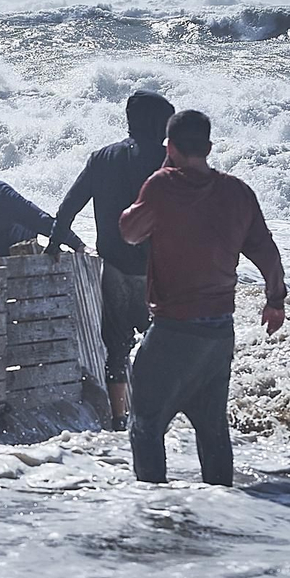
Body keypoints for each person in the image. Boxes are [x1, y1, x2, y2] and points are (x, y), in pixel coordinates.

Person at [117, 109, 285, 486]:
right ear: (209, 148)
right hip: (219, 334)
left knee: (145, 425)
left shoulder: (162, 186)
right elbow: (267, 252)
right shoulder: (238, 192)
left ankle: (153, 506)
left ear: (170, 147)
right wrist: (275, 300)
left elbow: (129, 231)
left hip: (173, 331)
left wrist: (164, 169)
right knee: (212, 430)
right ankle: (221, 504)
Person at [49, 90, 176, 430]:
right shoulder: (168, 161)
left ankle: (119, 420)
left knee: (116, 350)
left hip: (114, 270)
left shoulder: (102, 158)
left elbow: (68, 208)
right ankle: (158, 416)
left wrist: (54, 246)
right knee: (165, 345)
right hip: (156, 274)